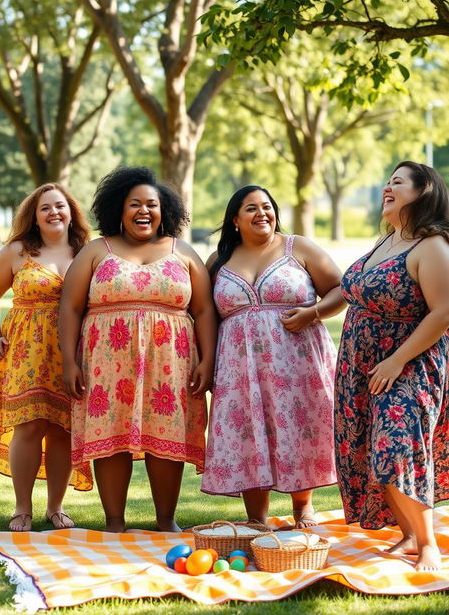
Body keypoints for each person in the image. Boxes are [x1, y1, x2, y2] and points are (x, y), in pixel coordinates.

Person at [59, 166, 217, 533]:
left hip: (171, 363)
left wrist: (207, 359)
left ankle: (166, 520)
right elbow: (70, 306)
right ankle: (114, 521)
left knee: (168, 436)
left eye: (152, 204)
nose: (144, 211)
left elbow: (205, 310)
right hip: (105, 362)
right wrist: (69, 361)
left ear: (165, 212)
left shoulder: (184, 251)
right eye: (135, 204)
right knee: (111, 436)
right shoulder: (98, 251)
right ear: (119, 208)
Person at [201, 185, 343, 528]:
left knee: (299, 425)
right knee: (249, 432)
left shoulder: (298, 248)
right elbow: (205, 313)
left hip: (297, 360)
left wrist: (314, 313)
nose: (261, 213)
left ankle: (302, 508)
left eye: (267, 207)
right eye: (251, 208)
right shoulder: (219, 261)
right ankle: (256, 518)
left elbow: (341, 288)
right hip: (239, 365)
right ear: (235, 219)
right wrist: (206, 363)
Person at [335, 161, 449, 571]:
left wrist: (397, 361)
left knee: (397, 445)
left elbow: (442, 313)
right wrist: (313, 313)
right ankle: (407, 535)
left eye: (397, 182)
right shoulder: (387, 242)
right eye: (387, 180)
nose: (387, 187)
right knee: (370, 450)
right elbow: (352, 290)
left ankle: (429, 544)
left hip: (409, 360)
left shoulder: (431, 246)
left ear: (423, 193)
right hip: (362, 361)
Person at [0, 183, 93, 532]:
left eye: (60, 206)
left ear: (71, 211)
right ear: (35, 215)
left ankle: (55, 508)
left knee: (63, 429)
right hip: (27, 349)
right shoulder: (17, 251)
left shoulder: (87, 251)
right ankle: (22, 508)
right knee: (29, 427)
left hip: (73, 349)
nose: (54, 213)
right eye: (45, 208)